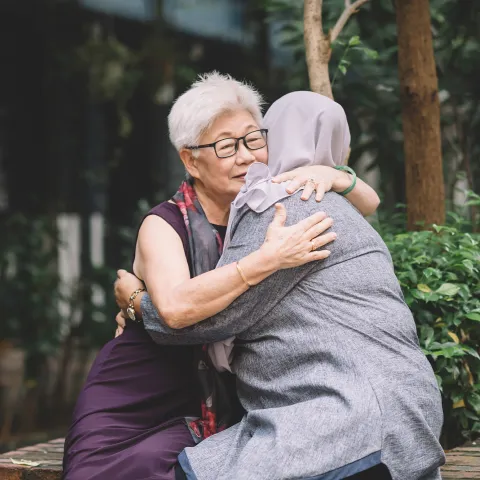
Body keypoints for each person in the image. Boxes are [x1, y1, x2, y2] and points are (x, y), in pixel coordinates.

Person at [63, 74, 380, 480]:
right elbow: (176, 309)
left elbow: (367, 204)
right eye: (227, 146)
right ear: (190, 159)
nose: (247, 157)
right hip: (141, 395)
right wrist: (266, 260)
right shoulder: (163, 224)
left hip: (227, 400)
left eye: (254, 139)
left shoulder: (267, 204)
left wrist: (337, 176)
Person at [118, 91, 445, 480]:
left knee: (188, 470)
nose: (250, 153)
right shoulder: (340, 203)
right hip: (405, 408)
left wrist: (136, 301)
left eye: (256, 139)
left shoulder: (287, 206)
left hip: (346, 414)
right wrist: (341, 176)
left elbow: (201, 320)